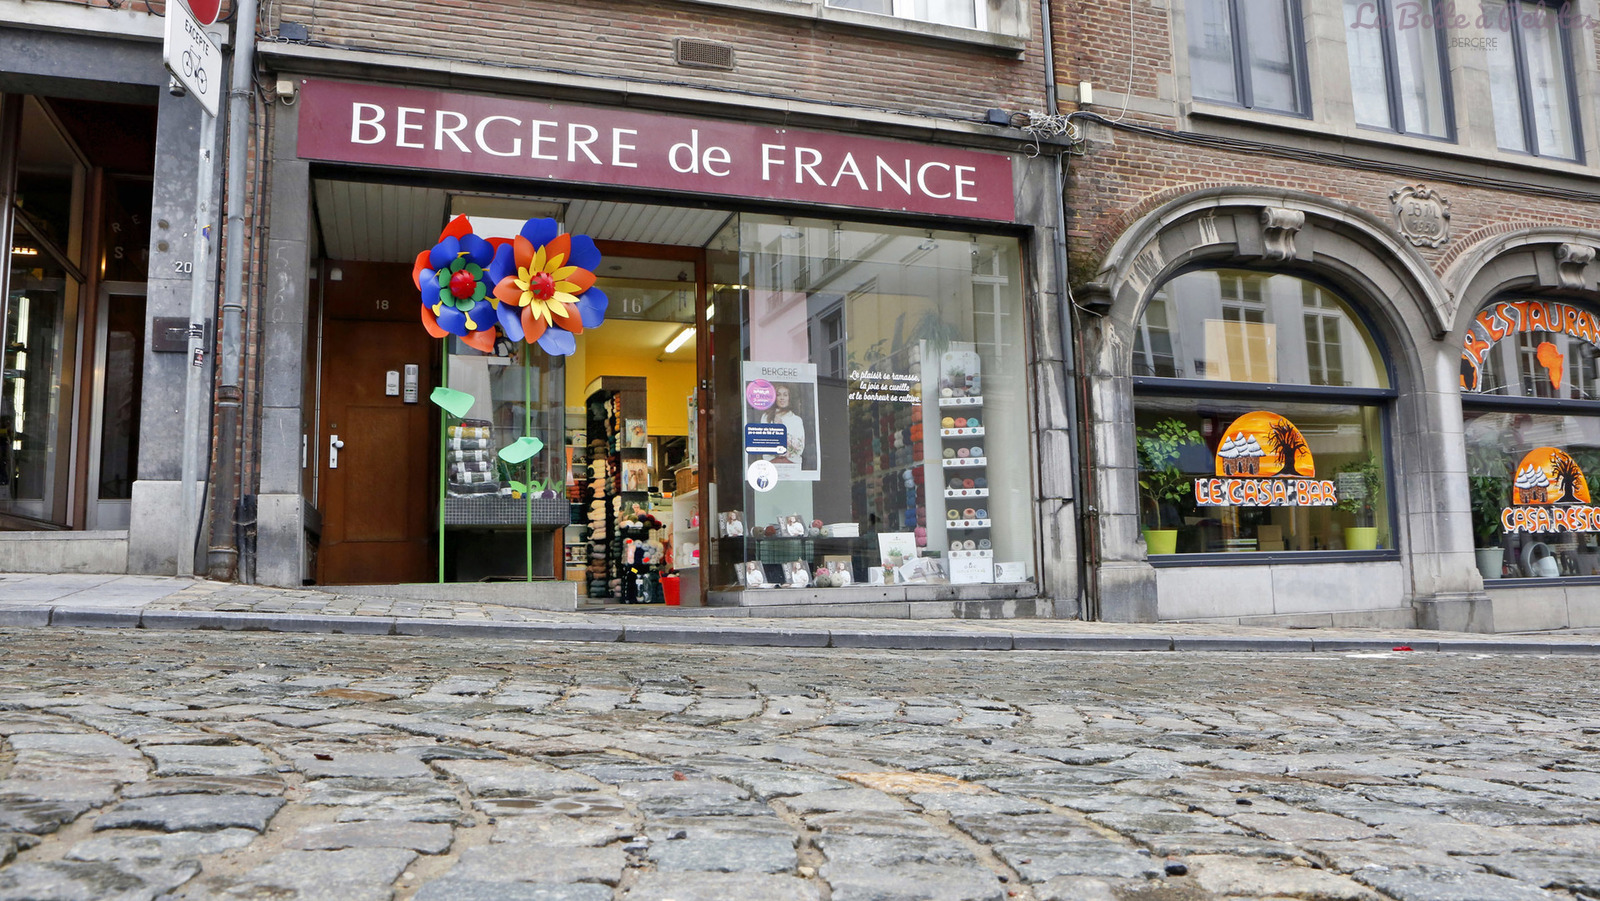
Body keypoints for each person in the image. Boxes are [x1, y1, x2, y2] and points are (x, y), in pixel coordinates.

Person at [761, 384, 805, 465]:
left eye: (785, 395)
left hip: (792, 463)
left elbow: (799, 448)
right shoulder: (766, 417)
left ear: (789, 398)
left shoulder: (796, 420)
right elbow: (763, 443)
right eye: (778, 395)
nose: (782, 398)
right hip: (770, 463)